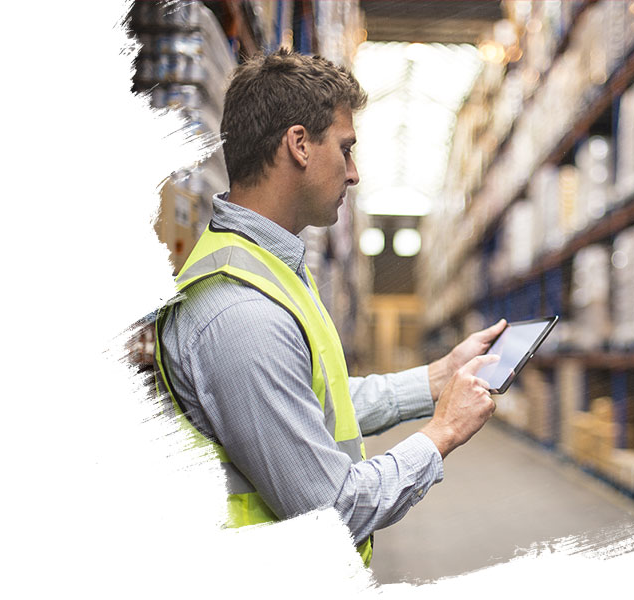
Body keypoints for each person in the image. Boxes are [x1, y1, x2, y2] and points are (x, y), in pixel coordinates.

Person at [154, 49, 506, 567]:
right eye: (345, 149)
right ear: (299, 145)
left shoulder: (269, 271)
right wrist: (442, 433)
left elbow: (312, 406)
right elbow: (333, 510)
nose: (354, 173)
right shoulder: (241, 311)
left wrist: (438, 377)